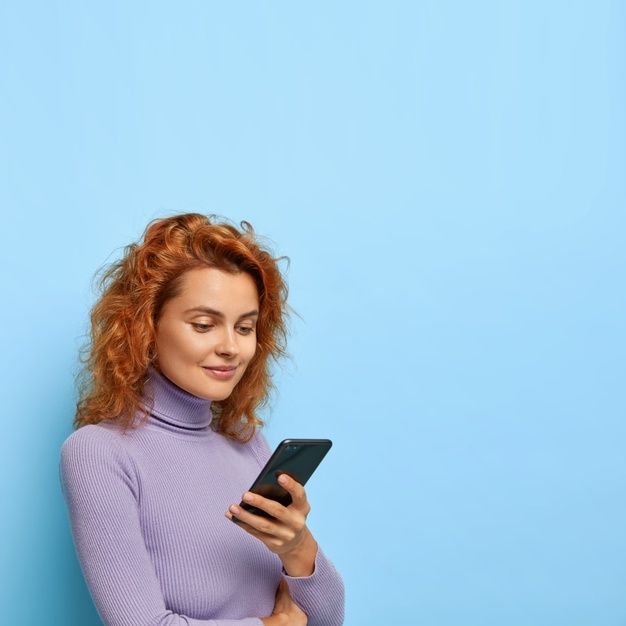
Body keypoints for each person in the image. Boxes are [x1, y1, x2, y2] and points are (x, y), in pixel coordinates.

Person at [59, 213, 345, 626]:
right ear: (146, 326)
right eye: (204, 325)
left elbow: (329, 621)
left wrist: (297, 546)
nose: (231, 347)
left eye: (245, 328)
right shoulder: (98, 453)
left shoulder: (247, 442)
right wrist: (274, 625)